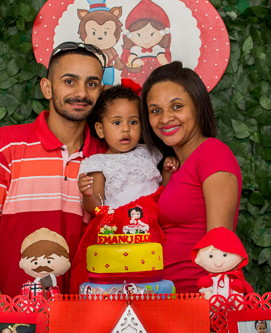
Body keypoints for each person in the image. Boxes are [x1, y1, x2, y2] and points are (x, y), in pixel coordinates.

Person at [0, 42, 108, 295]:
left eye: (91, 84)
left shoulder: (105, 156)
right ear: (47, 88)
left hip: (83, 317)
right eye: (70, 81)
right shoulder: (7, 144)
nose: (81, 93)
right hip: (14, 316)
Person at [141, 62, 242, 293]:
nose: (165, 118)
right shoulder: (173, 166)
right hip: (165, 297)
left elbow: (219, 246)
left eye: (177, 107)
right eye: (155, 110)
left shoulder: (212, 153)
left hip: (198, 299)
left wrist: (212, 305)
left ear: (198, 107)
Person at [70, 82, 177, 292]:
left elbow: (161, 192)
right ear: (100, 129)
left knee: (151, 277)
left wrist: (167, 169)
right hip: (118, 230)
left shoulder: (149, 152)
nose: (126, 129)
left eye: (133, 122)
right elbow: (96, 208)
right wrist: (88, 193)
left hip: (150, 226)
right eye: (117, 122)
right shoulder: (98, 162)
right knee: (119, 280)